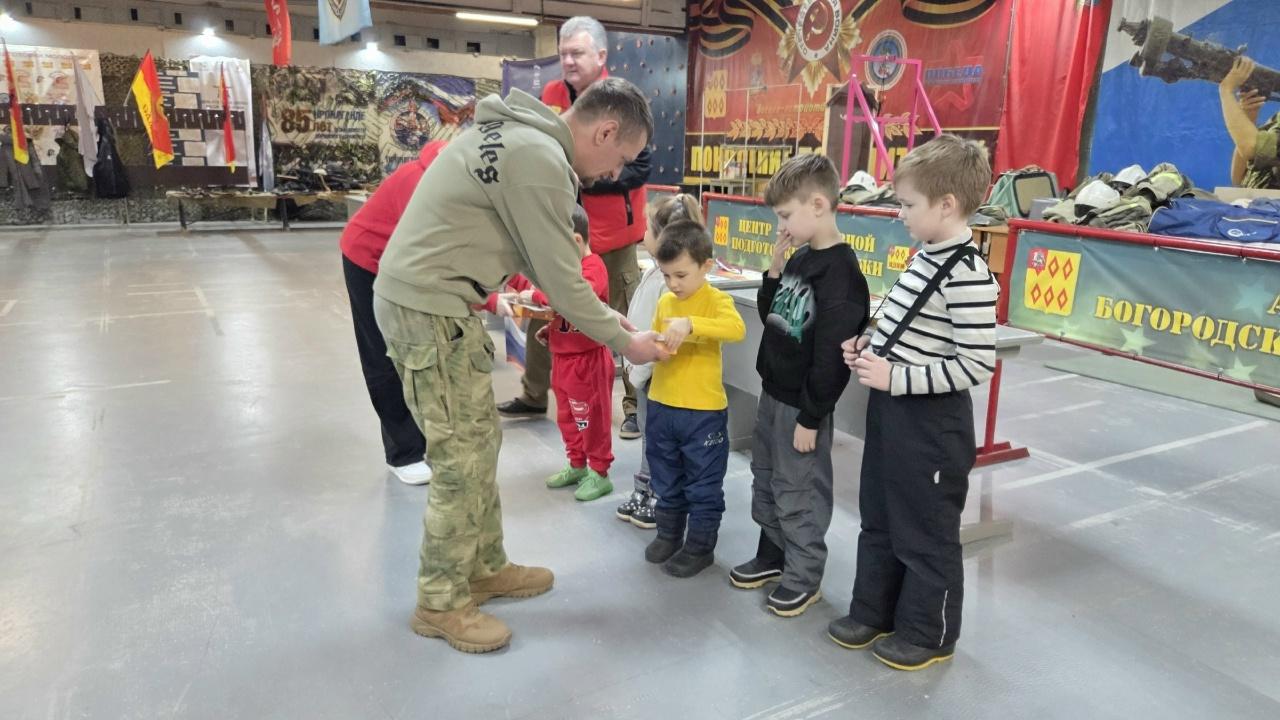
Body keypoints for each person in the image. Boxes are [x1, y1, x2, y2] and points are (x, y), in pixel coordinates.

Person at [373, 78, 665, 654]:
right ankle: (440, 600)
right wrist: (624, 341)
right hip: (429, 310)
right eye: (621, 159)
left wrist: (614, 324)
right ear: (604, 131)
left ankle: (483, 568)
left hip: (437, 305)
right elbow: (562, 277)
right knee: (459, 460)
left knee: (480, 445)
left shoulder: (518, 134)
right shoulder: (538, 160)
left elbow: (549, 269)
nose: (614, 174)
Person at [827, 135, 999, 671]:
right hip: (893, 415)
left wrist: (894, 376)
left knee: (924, 531)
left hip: (932, 425)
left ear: (946, 205)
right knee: (879, 514)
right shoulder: (928, 256)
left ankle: (929, 632)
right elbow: (908, 323)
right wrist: (870, 342)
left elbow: (975, 364)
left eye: (908, 205)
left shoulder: (968, 273)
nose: (899, 213)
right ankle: (874, 610)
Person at [498, 16, 652, 444]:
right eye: (563, 52)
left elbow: (639, 167)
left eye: (577, 52)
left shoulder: (622, 100)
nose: (568, 60)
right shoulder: (550, 95)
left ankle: (631, 408)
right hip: (565, 233)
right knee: (546, 311)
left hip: (616, 238)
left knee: (623, 318)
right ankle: (534, 393)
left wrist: (587, 171)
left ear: (601, 56)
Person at [729, 154, 869, 618]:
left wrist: (812, 416)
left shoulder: (842, 275)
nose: (783, 223)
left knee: (800, 490)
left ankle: (804, 574)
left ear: (818, 204)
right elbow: (774, 315)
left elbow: (833, 358)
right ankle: (774, 555)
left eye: (787, 214)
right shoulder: (802, 257)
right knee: (766, 479)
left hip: (801, 408)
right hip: (773, 394)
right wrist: (774, 266)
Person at [485, 207, 617, 502]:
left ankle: (599, 472)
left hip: (588, 362)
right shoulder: (565, 269)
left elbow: (574, 298)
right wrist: (554, 329)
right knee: (568, 417)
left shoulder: (593, 267)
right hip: (564, 358)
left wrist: (537, 297)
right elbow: (557, 305)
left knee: (591, 419)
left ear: (575, 241)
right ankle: (577, 463)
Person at [642, 221, 746, 578]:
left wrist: (691, 325)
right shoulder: (665, 299)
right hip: (661, 404)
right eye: (667, 274)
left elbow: (736, 330)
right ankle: (669, 535)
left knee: (702, 485)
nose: (673, 284)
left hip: (702, 414)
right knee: (665, 477)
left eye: (681, 275)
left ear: (706, 266)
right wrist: (653, 347)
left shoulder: (718, 300)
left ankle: (700, 548)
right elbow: (659, 343)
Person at [339, 140, 446, 486]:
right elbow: (431, 261)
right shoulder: (422, 185)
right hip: (368, 260)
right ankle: (403, 453)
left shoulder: (456, 179)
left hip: (402, 263)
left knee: (418, 351)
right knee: (384, 354)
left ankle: (423, 435)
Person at [616, 193, 704, 530]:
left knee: (659, 442)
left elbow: (661, 337)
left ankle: (659, 497)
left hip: (653, 375)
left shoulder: (669, 285)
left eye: (648, 227)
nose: (643, 231)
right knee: (650, 440)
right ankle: (645, 489)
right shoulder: (655, 275)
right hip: (642, 371)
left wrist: (638, 373)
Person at [1219, 57, 1280, 190]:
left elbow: (1251, 147)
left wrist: (1226, 90)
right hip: (1258, 205)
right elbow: (1238, 178)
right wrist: (1248, 117)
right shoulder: (1278, 119)